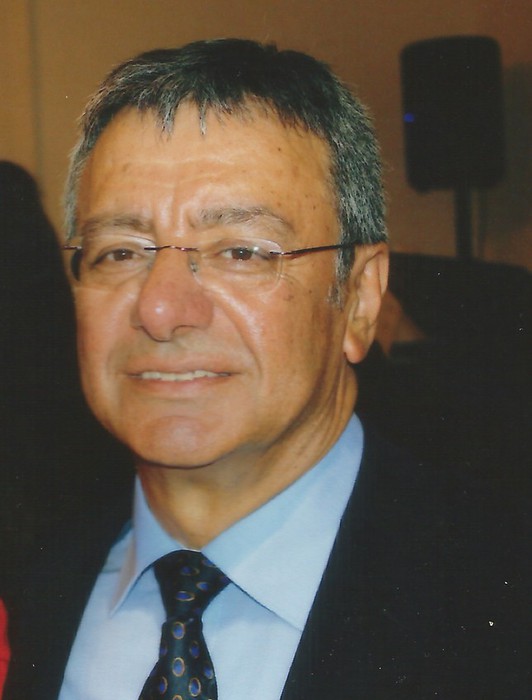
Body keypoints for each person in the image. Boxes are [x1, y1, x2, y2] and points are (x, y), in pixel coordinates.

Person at [4, 39, 528, 700]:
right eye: (120, 252)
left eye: (242, 251)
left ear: (360, 299)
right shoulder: (37, 586)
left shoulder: (500, 596)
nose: (161, 309)